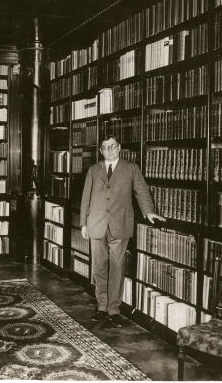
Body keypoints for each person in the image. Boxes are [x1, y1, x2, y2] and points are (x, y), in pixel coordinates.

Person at [80, 135, 165, 328]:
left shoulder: (131, 168)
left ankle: (114, 310)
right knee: (99, 268)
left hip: (120, 224)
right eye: (105, 147)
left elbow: (141, 191)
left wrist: (149, 212)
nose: (109, 150)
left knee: (117, 267)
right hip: (96, 224)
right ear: (101, 151)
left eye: (112, 146)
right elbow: (86, 197)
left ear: (119, 147)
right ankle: (102, 307)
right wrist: (83, 223)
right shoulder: (93, 170)